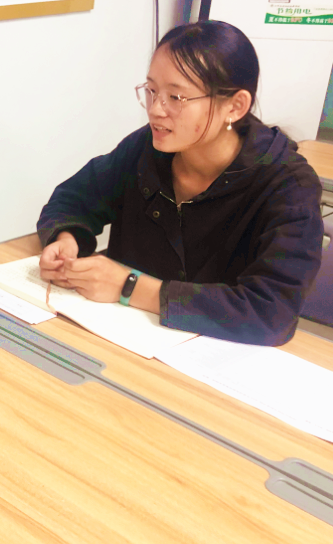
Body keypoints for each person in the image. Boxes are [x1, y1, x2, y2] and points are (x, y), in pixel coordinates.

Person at [37, 20, 323, 346]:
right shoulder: (147, 149)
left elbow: (272, 312)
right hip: (118, 340)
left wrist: (130, 286)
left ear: (235, 106)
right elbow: (73, 199)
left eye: (176, 97)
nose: (156, 110)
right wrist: (67, 238)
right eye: (151, 91)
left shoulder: (288, 186)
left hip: (213, 359)